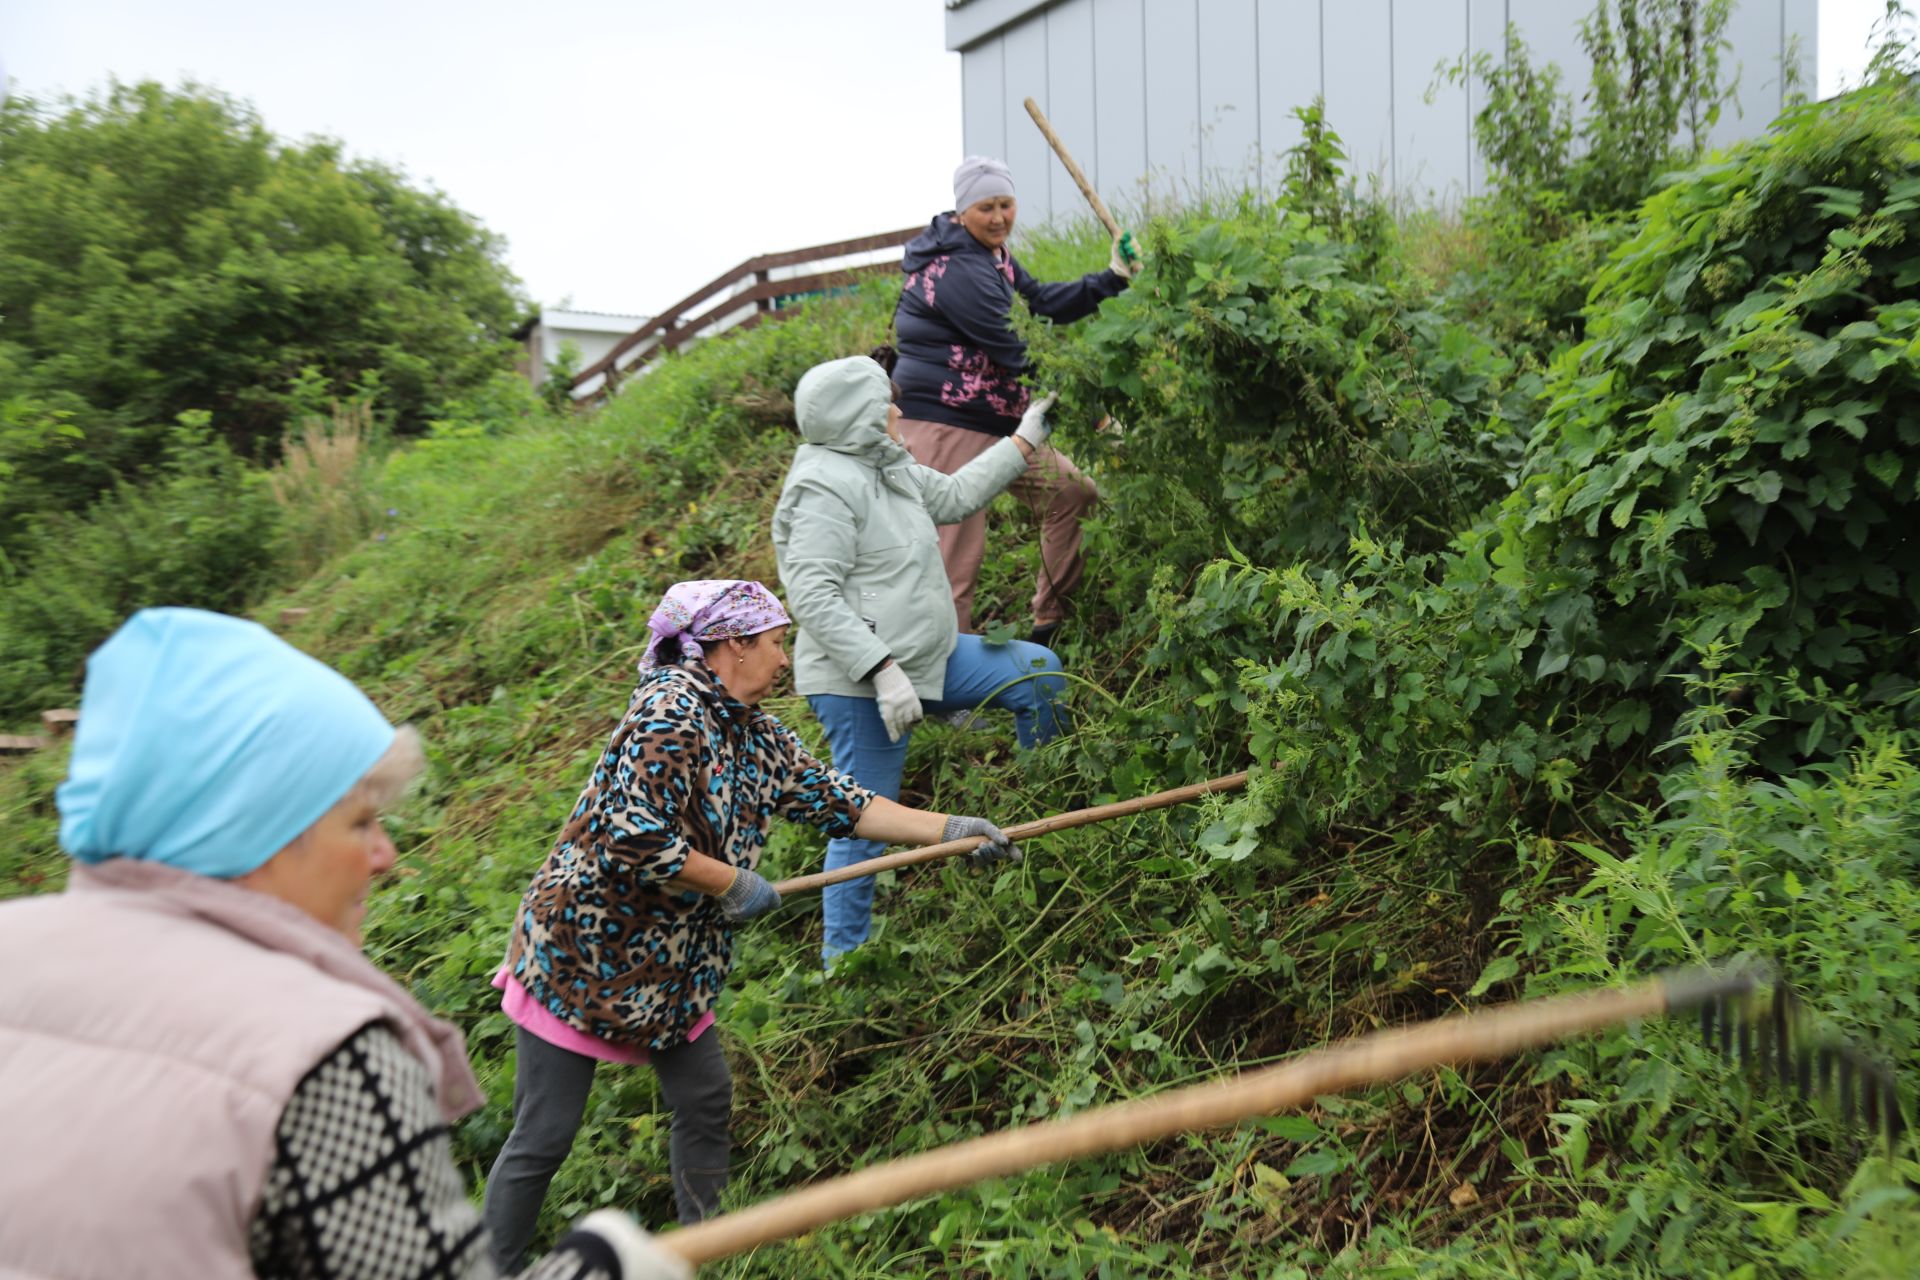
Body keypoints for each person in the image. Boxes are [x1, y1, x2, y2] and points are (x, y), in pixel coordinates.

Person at [0, 607, 684, 1280]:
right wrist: (600, 1268)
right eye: (359, 822)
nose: (383, 855)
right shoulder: (320, 1052)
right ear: (256, 826)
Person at [481, 579, 1019, 1265]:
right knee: (547, 1131)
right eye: (774, 642)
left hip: (669, 961)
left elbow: (841, 802)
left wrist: (951, 830)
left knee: (704, 1096)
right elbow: (632, 834)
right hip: (587, 950)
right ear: (732, 646)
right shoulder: (671, 714)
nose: (784, 659)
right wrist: (731, 882)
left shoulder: (750, 732)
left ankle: (702, 1247)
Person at [772, 355, 1069, 962]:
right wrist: (880, 670)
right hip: (861, 683)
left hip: (928, 658)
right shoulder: (822, 486)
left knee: (1040, 674)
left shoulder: (887, 465)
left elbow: (957, 496)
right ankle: (844, 964)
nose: (899, 411)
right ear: (858, 415)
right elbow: (812, 595)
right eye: (888, 403)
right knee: (866, 819)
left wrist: (1024, 439)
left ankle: (1051, 810)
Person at [891, 153, 1141, 645]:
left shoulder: (992, 256)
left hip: (999, 422)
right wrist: (1095, 412)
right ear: (963, 211)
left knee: (1072, 495)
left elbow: (1041, 303)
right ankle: (947, 685)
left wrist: (1112, 278)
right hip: (947, 423)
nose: (1000, 217)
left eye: (1006, 204)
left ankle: (1045, 628)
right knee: (955, 557)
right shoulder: (956, 270)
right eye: (987, 207)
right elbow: (1020, 351)